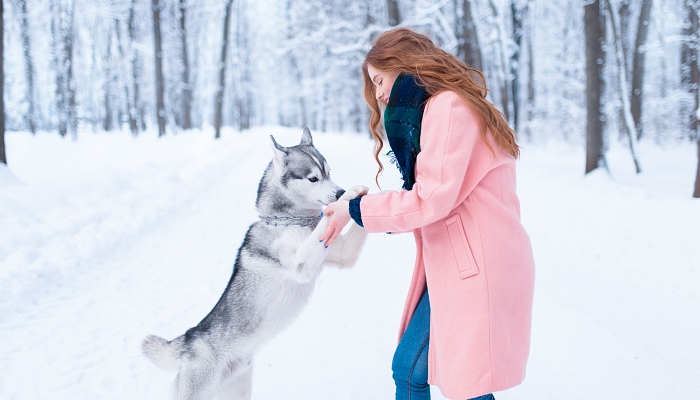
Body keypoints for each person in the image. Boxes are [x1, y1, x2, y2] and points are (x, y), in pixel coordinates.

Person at [319, 28, 536, 400]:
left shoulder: (448, 106)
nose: (379, 93)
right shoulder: (445, 106)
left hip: (476, 265)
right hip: (463, 263)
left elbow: (428, 200)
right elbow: (434, 195)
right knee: (438, 375)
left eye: (380, 80)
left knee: (440, 378)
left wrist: (355, 210)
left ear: (401, 64)